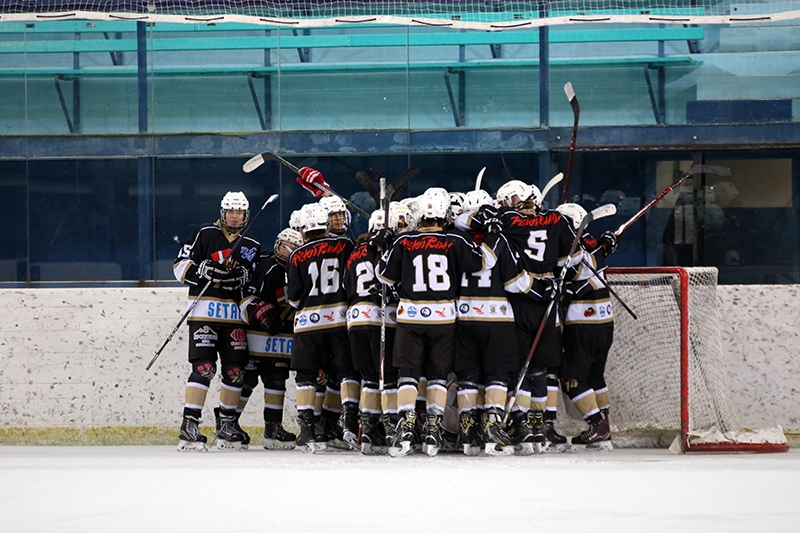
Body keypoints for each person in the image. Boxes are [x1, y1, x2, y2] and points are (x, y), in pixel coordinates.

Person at [376, 188, 489, 457]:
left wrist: (385, 245)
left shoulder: (404, 243)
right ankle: (433, 429)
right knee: (438, 375)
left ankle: (405, 426)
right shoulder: (455, 240)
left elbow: (384, 277)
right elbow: (482, 264)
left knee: (408, 373)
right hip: (444, 319)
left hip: (410, 317)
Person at [488, 179, 581, 455]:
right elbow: (572, 260)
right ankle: (541, 425)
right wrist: (559, 280)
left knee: (520, 368)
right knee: (541, 369)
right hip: (548, 302)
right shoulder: (555, 219)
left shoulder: (507, 221)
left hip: (519, 299)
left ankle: (522, 424)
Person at [173, 191, 260, 452]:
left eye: (240, 212)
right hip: (204, 313)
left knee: (236, 372)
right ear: (223, 212)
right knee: (205, 368)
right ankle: (189, 425)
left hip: (235, 317)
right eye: (231, 211)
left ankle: (226, 425)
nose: (235, 216)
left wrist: (245, 277)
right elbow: (179, 265)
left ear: (245, 214)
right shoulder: (205, 233)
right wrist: (200, 270)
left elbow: (254, 281)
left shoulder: (252, 243)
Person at [453, 189, 531, 456]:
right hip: (497, 318)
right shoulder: (499, 240)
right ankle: (493, 426)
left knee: (468, 375)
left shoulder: (454, 240)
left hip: (462, 318)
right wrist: (540, 283)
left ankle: (467, 430)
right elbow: (517, 284)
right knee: (497, 374)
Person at [287, 200, 358, 452]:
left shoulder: (297, 255)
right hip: (339, 320)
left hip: (307, 324)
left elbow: (294, 298)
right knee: (345, 371)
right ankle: (350, 420)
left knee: (306, 375)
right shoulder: (345, 245)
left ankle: (307, 428)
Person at [555, 202, 618, 451]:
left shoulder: (572, 248)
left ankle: (597, 425)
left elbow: (574, 272)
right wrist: (606, 245)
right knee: (594, 376)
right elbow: (593, 258)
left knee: (571, 378)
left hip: (582, 324)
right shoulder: (592, 244)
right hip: (605, 322)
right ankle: (605, 427)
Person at [237, 227, 304, 450]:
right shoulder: (267, 264)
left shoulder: (300, 269)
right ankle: (228, 423)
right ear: (277, 245)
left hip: (282, 338)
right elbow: (245, 294)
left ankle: (273, 428)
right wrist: (260, 309)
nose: (288, 251)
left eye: (294, 247)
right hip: (256, 336)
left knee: (277, 379)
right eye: (285, 246)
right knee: (247, 379)